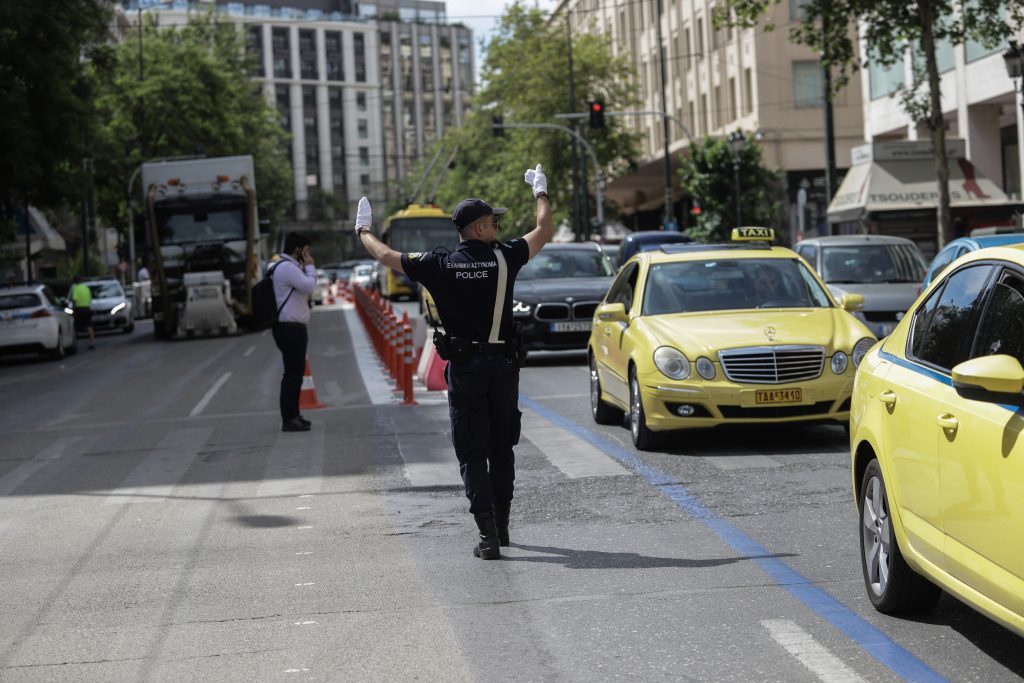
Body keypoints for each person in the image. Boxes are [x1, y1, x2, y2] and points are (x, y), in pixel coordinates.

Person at [355, 164, 553, 560]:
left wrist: (363, 231)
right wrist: (540, 193)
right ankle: (502, 525)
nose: (496, 225)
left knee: (471, 451)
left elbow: (386, 256)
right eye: (492, 221)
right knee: (502, 447)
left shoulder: (439, 264)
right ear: (477, 229)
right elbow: (544, 231)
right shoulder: (506, 257)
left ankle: (487, 536)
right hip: (502, 368)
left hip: (465, 371)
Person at [273, 232, 317, 432]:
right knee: (292, 374)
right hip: (290, 329)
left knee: (295, 374)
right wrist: (310, 266)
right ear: (297, 249)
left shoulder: (288, 267)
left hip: (292, 329)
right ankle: (289, 418)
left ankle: (294, 415)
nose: (308, 254)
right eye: (306, 250)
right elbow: (309, 286)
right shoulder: (287, 268)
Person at [70, 275, 96, 350]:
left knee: (75, 326)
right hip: (87, 308)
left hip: (79, 309)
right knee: (89, 326)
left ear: (74, 282)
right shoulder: (86, 288)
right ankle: (92, 342)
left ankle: (74, 343)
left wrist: (73, 310)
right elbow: (90, 298)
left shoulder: (75, 288)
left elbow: (74, 300)